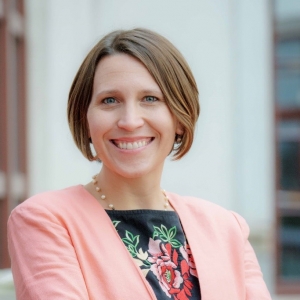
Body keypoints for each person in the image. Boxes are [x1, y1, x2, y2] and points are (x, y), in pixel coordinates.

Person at [7, 28, 271, 299]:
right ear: (85, 120)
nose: (130, 121)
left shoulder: (227, 228)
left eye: (150, 99)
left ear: (180, 118)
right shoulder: (45, 221)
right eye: (109, 100)